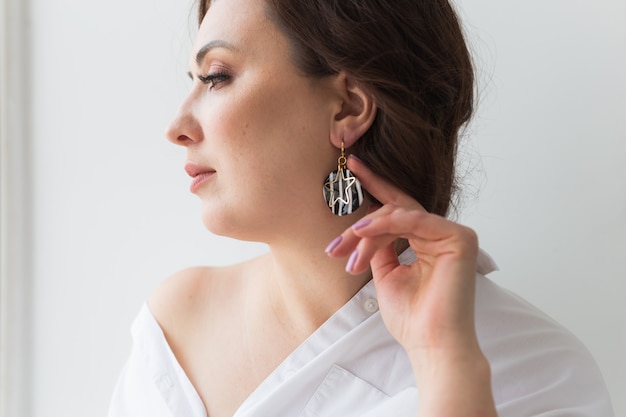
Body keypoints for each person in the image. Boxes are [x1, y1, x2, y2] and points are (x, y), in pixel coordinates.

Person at [107, 0, 614, 416]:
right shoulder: (177, 321)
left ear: (349, 106)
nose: (176, 126)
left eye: (216, 77)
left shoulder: (533, 368)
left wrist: (444, 363)